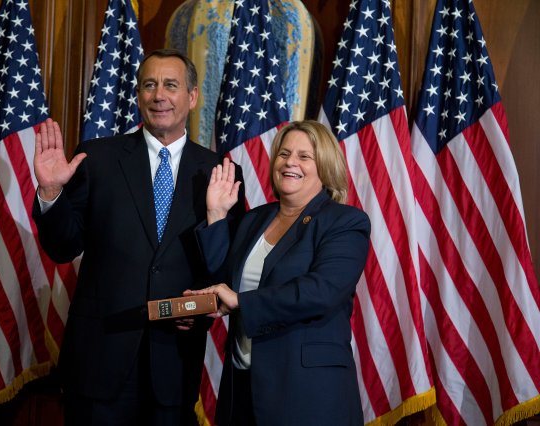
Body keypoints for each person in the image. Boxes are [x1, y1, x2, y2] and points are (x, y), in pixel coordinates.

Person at [32, 49, 243, 425]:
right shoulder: (96, 158)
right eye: (149, 85)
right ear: (138, 95)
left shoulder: (219, 172)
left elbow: (225, 268)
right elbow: (63, 247)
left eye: (171, 85)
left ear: (192, 97)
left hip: (174, 364)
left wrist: (199, 309)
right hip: (100, 360)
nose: (158, 95)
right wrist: (51, 194)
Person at [186, 120, 370, 425]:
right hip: (242, 386)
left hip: (305, 394)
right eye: (284, 154)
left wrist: (242, 302)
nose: (290, 162)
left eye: (303, 156)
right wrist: (217, 215)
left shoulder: (345, 222)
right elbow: (223, 280)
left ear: (324, 166)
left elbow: (320, 291)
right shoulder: (255, 219)